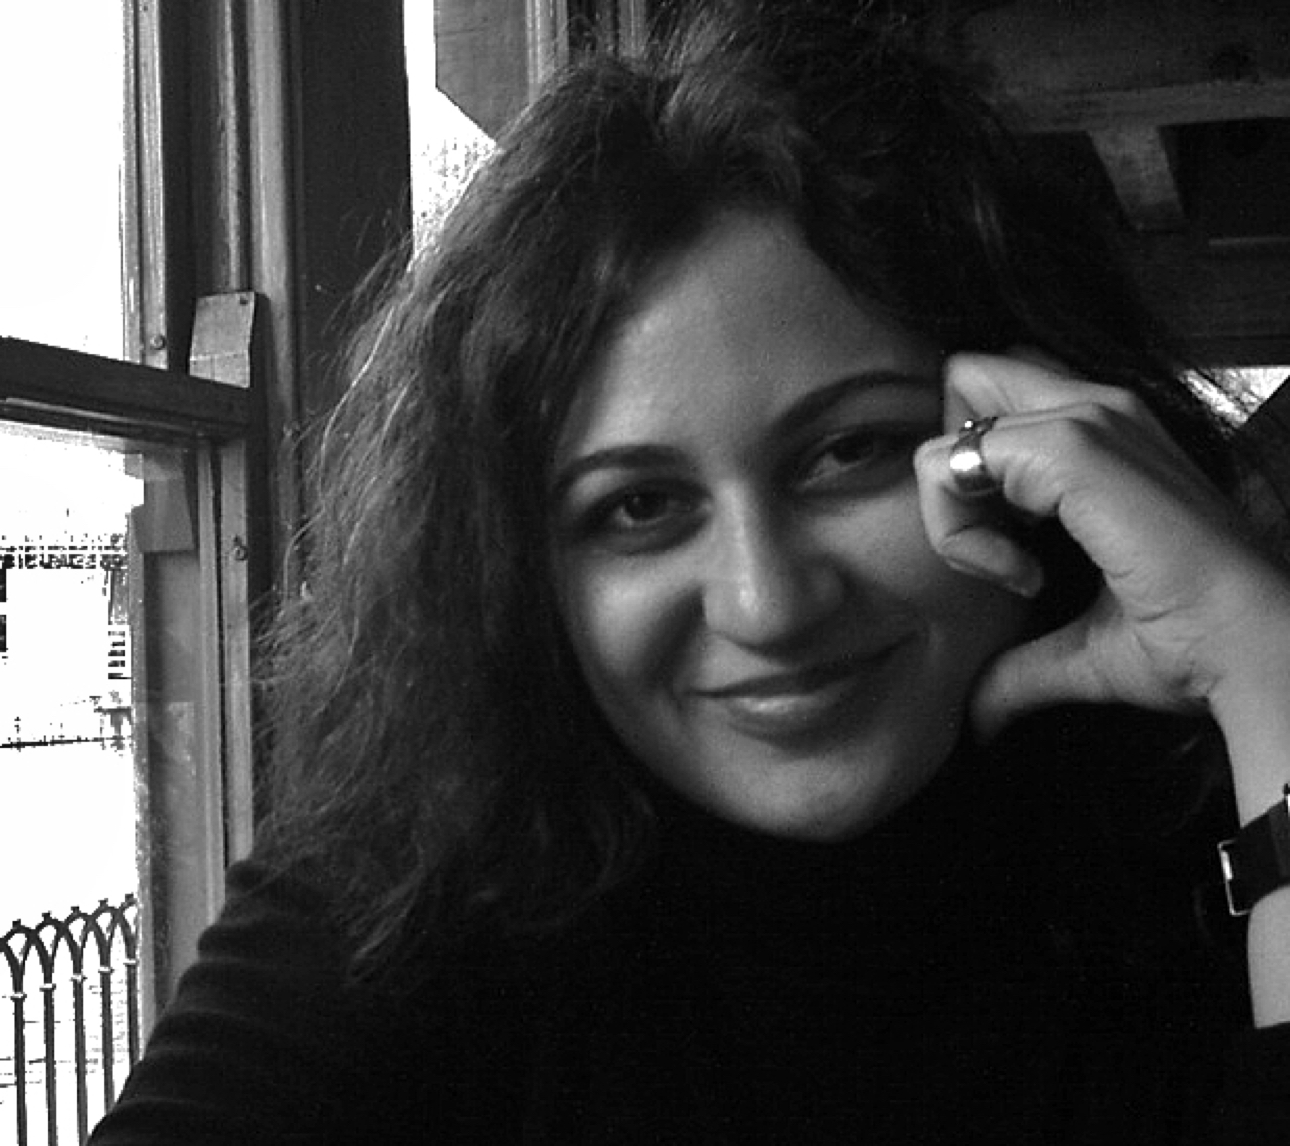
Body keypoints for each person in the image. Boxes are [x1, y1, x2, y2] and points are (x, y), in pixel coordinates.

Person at [91, 3, 1290, 1142]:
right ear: (516, 572)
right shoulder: (397, 897)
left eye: (851, 452)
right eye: (639, 507)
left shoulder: (1202, 818)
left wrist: (1260, 655)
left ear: (1029, 439)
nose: (769, 605)